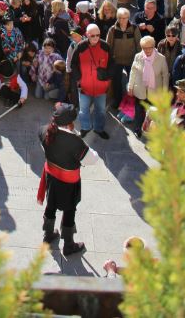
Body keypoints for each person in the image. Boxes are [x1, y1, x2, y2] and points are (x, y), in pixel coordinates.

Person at [37, 102, 98, 254]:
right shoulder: (75, 142)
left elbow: (45, 149)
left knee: (50, 205)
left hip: (51, 177)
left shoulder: (43, 130)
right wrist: (87, 147)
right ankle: (69, 245)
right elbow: (91, 159)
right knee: (69, 210)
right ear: (70, 123)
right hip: (68, 183)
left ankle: (48, 234)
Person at [70, 23, 113, 139]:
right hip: (85, 86)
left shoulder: (106, 46)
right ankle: (85, 127)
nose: (95, 38)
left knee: (101, 111)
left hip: (101, 87)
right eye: (92, 35)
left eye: (98, 35)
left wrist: (107, 79)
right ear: (87, 35)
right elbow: (73, 64)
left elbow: (112, 65)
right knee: (83, 110)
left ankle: (99, 129)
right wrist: (79, 78)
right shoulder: (80, 46)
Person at [127, 36, 169, 136]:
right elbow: (133, 71)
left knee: (154, 113)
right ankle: (138, 129)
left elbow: (165, 76)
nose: (147, 50)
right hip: (140, 90)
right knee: (139, 111)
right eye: (144, 48)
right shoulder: (138, 56)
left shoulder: (161, 58)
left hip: (155, 92)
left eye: (149, 47)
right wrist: (130, 86)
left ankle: (153, 133)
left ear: (154, 47)